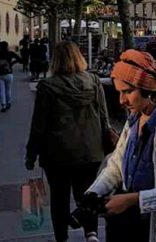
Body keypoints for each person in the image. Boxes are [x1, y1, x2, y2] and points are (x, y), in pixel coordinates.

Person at [87, 49, 156, 242]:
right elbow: (116, 165)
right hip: (130, 226)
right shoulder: (133, 119)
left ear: (148, 90)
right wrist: (93, 193)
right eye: (119, 92)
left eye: (127, 92)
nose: (121, 100)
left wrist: (131, 200)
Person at [25, 42, 112, 242]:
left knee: (59, 199)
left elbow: (38, 125)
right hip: (90, 151)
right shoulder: (93, 81)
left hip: (57, 154)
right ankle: (91, 234)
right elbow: (103, 117)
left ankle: (62, 238)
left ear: (55, 60)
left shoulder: (47, 87)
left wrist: (31, 154)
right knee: (88, 194)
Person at [0, 41, 21, 112]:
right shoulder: (10, 53)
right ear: (7, 46)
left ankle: (3, 105)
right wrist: (12, 64)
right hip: (9, 73)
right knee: (8, 90)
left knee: (1, 90)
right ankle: (8, 103)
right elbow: (20, 60)